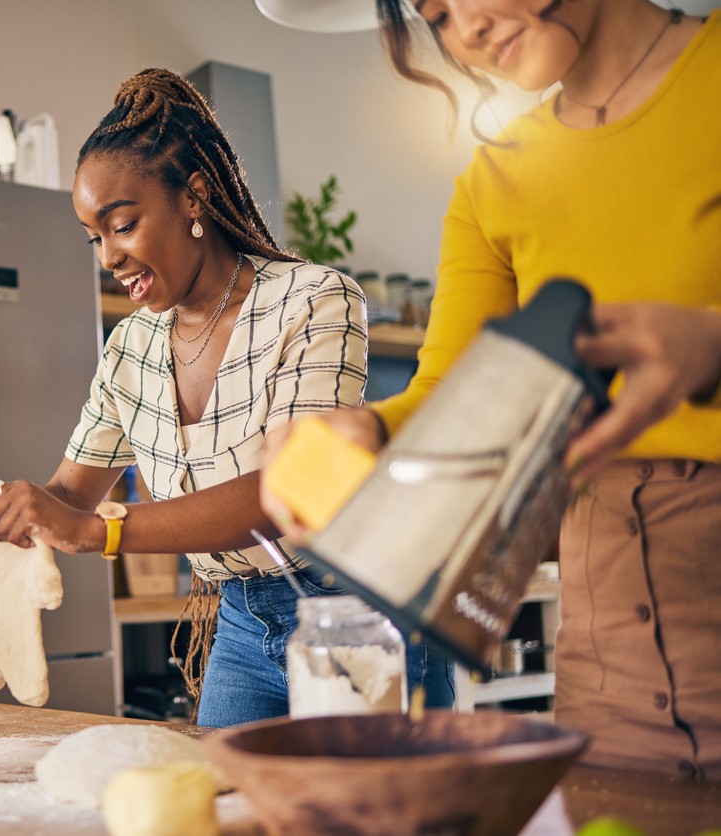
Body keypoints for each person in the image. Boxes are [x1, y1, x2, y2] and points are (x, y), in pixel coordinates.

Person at [0, 67, 453, 728]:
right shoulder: (129, 347)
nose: (108, 255)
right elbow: (70, 497)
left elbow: (289, 493)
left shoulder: (312, 299)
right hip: (243, 629)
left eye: (122, 224)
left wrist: (99, 531)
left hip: (357, 617)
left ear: (193, 198)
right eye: (94, 237)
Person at [267, 0, 720, 777]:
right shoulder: (492, 182)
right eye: (432, 13)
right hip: (611, 655)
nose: (463, 29)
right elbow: (448, 390)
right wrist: (366, 431)